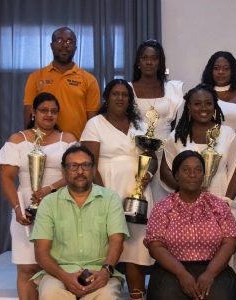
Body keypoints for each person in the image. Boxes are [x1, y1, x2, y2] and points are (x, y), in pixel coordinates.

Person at [80, 79, 156, 300]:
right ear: (107, 97)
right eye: (115, 94)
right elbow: (88, 163)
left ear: (130, 100)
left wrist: (148, 176)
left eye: (125, 95)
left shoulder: (140, 126)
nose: (120, 98)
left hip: (138, 193)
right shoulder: (94, 124)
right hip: (106, 191)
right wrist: (103, 197)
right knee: (105, 245)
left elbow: (152, 158)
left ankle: (137, 296)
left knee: (136, 249)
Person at [0, 92, 76, 300]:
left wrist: (50, 188)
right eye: (44, 110)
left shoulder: (67, 139)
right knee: (27, 268)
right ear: (33, 112)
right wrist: (17, 208)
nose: (49, 115)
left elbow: (78, 172)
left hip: (61, 204)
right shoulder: (17, 140)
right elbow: (6, 177)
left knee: (59, 267)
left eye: (53, 111)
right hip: (25, 206)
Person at [160, 83, 236, 274]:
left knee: (224, 264)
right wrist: (185, 193)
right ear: (188, 106)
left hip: (223, 202)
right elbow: (166, 170)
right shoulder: (177, 137)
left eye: (208, 103)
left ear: (215, 106)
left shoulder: (227, 133)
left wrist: (226, 203)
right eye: (197, 104)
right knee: (192, 260)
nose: (203, 108)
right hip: (185, 210)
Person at [30, 145, 129, 299]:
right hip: (59, 272)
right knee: (51, 294)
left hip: (99, 270)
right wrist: (64, 277)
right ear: (63, 171)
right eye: (73, 166)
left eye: (86, 165)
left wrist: (105, 272)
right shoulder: (49, 202)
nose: (80, 171)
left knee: (107, 296)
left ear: (94, 170)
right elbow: (41, 252)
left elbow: (117, 241)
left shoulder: (110, 198)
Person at [145, 150, 236, 300]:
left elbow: (230, 242)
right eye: (185, 170)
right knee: (166, 295)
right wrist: (182, 274)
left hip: (214, 268)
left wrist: (210, 273)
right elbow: (155, 245)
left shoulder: (218, 205)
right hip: (172, 269)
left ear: (204, 175)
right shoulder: (163, 208)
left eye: (198, 170)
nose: (192, 174)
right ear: (176, 175)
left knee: (221, 296)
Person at [130, 39, 184, 203]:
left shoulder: (172, 89)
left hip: (166, 156)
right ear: (138, 62)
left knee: (166, 205)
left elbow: (173, 124)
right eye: (145, 58)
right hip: (136, 154)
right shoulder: (128, 88)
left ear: (160, 63)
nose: (149, 62)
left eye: (154, 58)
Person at [23, 26, 100, 139]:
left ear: (75, 48)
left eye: (69, 41)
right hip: (42, 145)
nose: (65, 45)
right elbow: (29, 115)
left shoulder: (89, 80)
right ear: (51, 46)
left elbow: (93, 121)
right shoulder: (35, 77)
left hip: (76, 146)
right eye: (59, 40)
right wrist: (31, 142)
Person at [201, 51, 236, 144]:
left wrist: (228, 143)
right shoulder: (202, 95)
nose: (221, 72)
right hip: (206, 148)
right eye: (216, 68)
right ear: (210, 71)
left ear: (233, 71)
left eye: (226, 68)